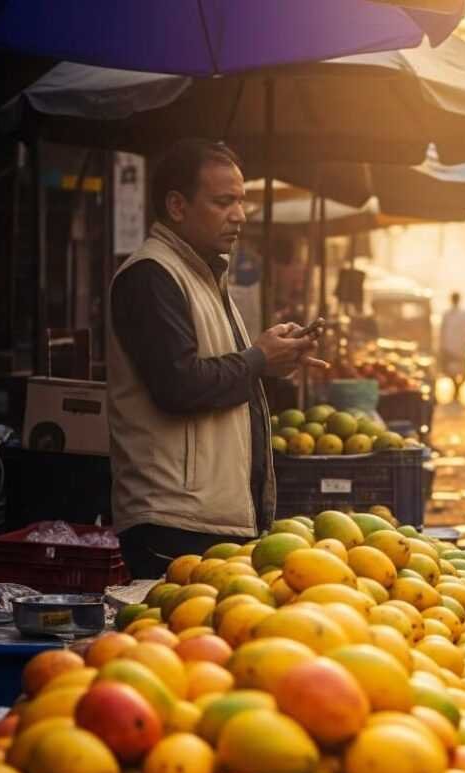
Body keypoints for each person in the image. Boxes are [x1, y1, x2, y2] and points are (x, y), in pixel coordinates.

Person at [109, 138, 325, 580]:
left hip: (207, 516)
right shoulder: (152, 275)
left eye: (241, 201)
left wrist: (273, 363)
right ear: (177, 205)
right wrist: (258, 358)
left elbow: (220, 372)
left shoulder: (203, 273)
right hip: (173, 521)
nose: (240, 215)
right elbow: (178, 384)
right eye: (223, 201)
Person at [438, 291, 465, 401]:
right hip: (455, 348)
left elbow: (442, 331)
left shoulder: (455, 314)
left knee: (462, 373)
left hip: (455, 348)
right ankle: (456, 389)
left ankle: (456, 389)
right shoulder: (463, 314)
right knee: (451, 372)